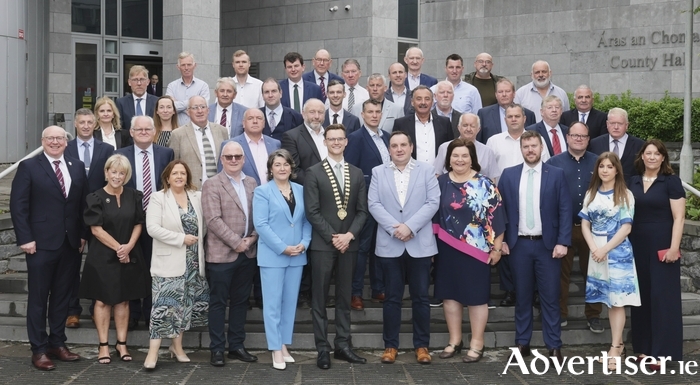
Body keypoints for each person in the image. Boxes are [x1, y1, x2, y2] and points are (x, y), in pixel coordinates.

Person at [10, 125, 88, 371]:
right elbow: (18, 206)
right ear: (42, 141)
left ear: (66, 142)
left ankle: (57, 342)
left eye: (60, 138)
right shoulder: (28, 167)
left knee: (62, 298)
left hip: (69, 243)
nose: (55, 142)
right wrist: (25, 238)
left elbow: (81, 205)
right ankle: (39, 349)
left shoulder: (76, 167)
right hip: (39, 244)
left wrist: (82, 235)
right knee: (38, 298)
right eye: (50, 138)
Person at [497, 130, 571, 361]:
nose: (530, 150)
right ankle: (522, 343)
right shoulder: (508, 175)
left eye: (534, 146)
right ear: (521, 149)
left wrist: (563, 241)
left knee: (550, 297)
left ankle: (554, 345)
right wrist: (503, 241)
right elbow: (500, 211)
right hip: (518, 246)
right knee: (523, 296)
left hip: (548, 247)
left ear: (541, 148)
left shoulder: (556, 174)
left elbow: (565, 209)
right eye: (526, 146)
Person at [368, 131, 440, 365]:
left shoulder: (427, 170)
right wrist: (394, 228)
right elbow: (374, 204)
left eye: (403, 145)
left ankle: (422, 346)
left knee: (420, 297)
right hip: (390, 244)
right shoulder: (379, 172)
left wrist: (410, 227)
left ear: (411, 147)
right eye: (394, 146)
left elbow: (433, 202)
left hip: (419, 243)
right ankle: (390, 346)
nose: (399, 149)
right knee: (392, 298)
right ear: (389, 149)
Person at [433, 139, 504, 362]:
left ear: (472, 158)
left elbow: (498, 216)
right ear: (448, 159)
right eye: (455, 156)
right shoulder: (440, 182)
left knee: (476, 297)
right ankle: (454, 341)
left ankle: (477, 342)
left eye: (464, 155)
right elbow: (433, 214)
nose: (460, 160)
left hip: (477, 250)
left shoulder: (484, 183)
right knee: (450, 296)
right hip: (446, 247)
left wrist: (497, 247)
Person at [304, 124, 368, 369]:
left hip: (349, 245)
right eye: (331, 139)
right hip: (324, 245)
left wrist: (349, 235)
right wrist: (335, 237)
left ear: (346, 142)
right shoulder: (313, 172)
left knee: (344, 298)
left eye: (340, 139)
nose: (336, 142)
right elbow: (312, 211)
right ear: (325, 142)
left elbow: (362, 211)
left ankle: (343, 345)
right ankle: (322, 349)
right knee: (319, 299)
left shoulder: (357, 172)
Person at [79, 154, 151, 364]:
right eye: (113, 171)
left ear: (126, 175)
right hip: (103, 256)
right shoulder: (95, 197)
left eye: (121, 172)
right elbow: (96, 229)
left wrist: (128, 247)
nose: (117, 176)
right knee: (102, 301)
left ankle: (122, 344)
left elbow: (139, 223)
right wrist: (119, 248)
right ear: (106, 172)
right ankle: (103, 346)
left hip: (129, 254)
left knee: (123, 299)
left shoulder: (134, 195)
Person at [143, 160, 209, 369]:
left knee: (184, 307)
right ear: (167, 178)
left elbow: (204, 226)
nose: (179, 176)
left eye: (183, 173)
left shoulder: (196, 197)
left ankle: (177, 347)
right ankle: (152, 353)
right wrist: (180, 239)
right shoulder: (158, 198)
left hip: (192, 263)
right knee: (163, 308)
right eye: (175, 173)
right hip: (168, 262)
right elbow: (152, 228)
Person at [579, 152, 640, 370]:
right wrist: (595, 248)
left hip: (617, 253)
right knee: (605, 299)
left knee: (617, 301)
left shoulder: (625, 194)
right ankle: (616, 344)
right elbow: (585, 224)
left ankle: (616, 347)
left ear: (617, 170)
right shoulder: (591, 193)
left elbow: (626, 227)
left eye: (609, 166)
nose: (605, 170)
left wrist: (604, 248)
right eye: (601, 166)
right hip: (597, 252)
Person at [253, 149, 312, 370]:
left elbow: (307, 221)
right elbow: (261, 224)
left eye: (285, 164)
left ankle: (284, 344)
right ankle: (275, 349)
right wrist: (282, 247)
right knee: (273, 304)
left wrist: (304, 243)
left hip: (297, 255)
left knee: (289, 304)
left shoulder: (300, 190)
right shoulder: (262, 191)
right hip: (273, 256)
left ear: (291, 167)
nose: (282, 168)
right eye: (277, 164)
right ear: (270, 169)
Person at [202, 142, 259, 367]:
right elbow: (213, 220)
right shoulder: (212, 184)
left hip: (248, 253)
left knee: (240, 302)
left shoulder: (252, 183)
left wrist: (252, 239)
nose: (233, 160)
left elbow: (259, 215)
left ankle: (236, 345)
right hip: (221, 255)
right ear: (222, 160)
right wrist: (236, 242)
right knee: (217, 303)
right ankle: (217, 349)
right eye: (229, 157)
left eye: (237, 156)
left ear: (243, 159)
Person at [629, 139, 686, 366]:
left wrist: (674, 248)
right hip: (636, 246)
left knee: (662, 300)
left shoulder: (671, 182)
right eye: (648, 153)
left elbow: (679, 218)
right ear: (642, 156)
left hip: (663, 246)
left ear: (663, 158)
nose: (652, 157)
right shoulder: (632, 181)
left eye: (656, 153)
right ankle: (643, 349)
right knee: (641, 299)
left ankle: (662, 353)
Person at [116, 115, 175, 331]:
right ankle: (133, 313)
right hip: (129, 221)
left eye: (147, 129)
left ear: (154, 132)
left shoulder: (166, 153)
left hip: (158, 221)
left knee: (155, 268)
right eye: (138, 129)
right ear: (131, 132)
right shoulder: (119, 155)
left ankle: (152, 312)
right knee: (131, 268)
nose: (143, 132)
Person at [545, 122, 604, 332]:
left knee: (594, 272)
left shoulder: (599, 163)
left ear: (589, 139)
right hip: (564, 227)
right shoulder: (553, 163)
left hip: (594, 228)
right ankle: (560, 314)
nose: (579, 139)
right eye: (575, 135)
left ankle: (594, 315)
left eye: (583, 136)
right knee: (561, 274)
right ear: (567, 137)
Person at [64, 108, 115, 328]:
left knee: (99, 265)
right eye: (81, 122)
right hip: (72, 215)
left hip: (100, 214)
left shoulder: (107, 149)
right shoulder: (66, 148)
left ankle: (98, 308)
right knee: (70, 266)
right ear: (75, 124)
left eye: (89, 122)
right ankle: (72, 310)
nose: (85, 126)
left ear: (95, 124)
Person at [345, 99, 390, 310]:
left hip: (387, 202)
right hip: (365, 201)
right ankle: (356, 293)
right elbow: (352, 173)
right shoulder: (355, 138)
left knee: (380, 246)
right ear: (363, 115)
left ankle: (378, 288)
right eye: (370, 112)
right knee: (362, 248)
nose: (374, 115)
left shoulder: (387, 137)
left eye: (377, 112)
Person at [169, 95, 229, 189]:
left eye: (203, 107)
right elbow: (173, 166)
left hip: (220, 189)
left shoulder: (222, 131)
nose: (200, 111)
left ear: (208, 110)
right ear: (188, 112)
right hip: (191, 189)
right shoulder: (178, 134)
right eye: (195, 108)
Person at [392, 85, 453, 165]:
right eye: (419, 99)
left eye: (427, 99)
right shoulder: (401, 124)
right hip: (411, 173)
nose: (423, 102)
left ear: (432, 102)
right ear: (412, 102)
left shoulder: (445, 123)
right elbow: (395, 150)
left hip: (438, 174)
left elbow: (451, 149)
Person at [588, 107, 645, 185]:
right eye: (612, 123)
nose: (616, 127)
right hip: (602, 190)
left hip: (630, 191)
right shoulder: (595, 143)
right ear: (607, 124)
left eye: (620, 124)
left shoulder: (640, 145)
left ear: (627, 125)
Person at [433, 113, 498, 179]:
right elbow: (437, 174)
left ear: (478, 129)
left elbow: (492, 179)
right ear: (459, 127)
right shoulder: (444, 148)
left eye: (472, 126)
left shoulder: (488, 152)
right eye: (465, 125)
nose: (468, 129)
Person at [282, 98, 327, 186]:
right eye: (312, 112)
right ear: (303, 114)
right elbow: (293, 169)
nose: (316, 116)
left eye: (320, 112)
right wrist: (318, 184)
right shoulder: (291, 137)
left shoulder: (331, 134)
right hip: (308, 190)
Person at [477, 78, 536, 144]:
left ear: (514, 94)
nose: (504, 94)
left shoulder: (528, 114)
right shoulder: (484, 114)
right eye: (500, 92)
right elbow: (479, 141)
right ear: (496, 95)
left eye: (507, 91)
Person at [166, 52, 211, 125]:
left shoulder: (203, 85)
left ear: (194, 66)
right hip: (177, 130)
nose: (186, 68)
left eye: (189, 64)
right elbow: (169, 109)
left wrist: (178, 105)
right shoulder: (171, 86)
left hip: (197, 130)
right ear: (178, 67)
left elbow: (203, 109)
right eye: (183, 65)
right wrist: (194, 104)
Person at [116, 65, 158, 131]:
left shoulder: (156, 101)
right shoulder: (121, 103)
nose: (139, 83)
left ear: (148, 82)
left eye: (142, 79)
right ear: (129, 82)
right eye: (135, 80)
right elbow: (119, 127)